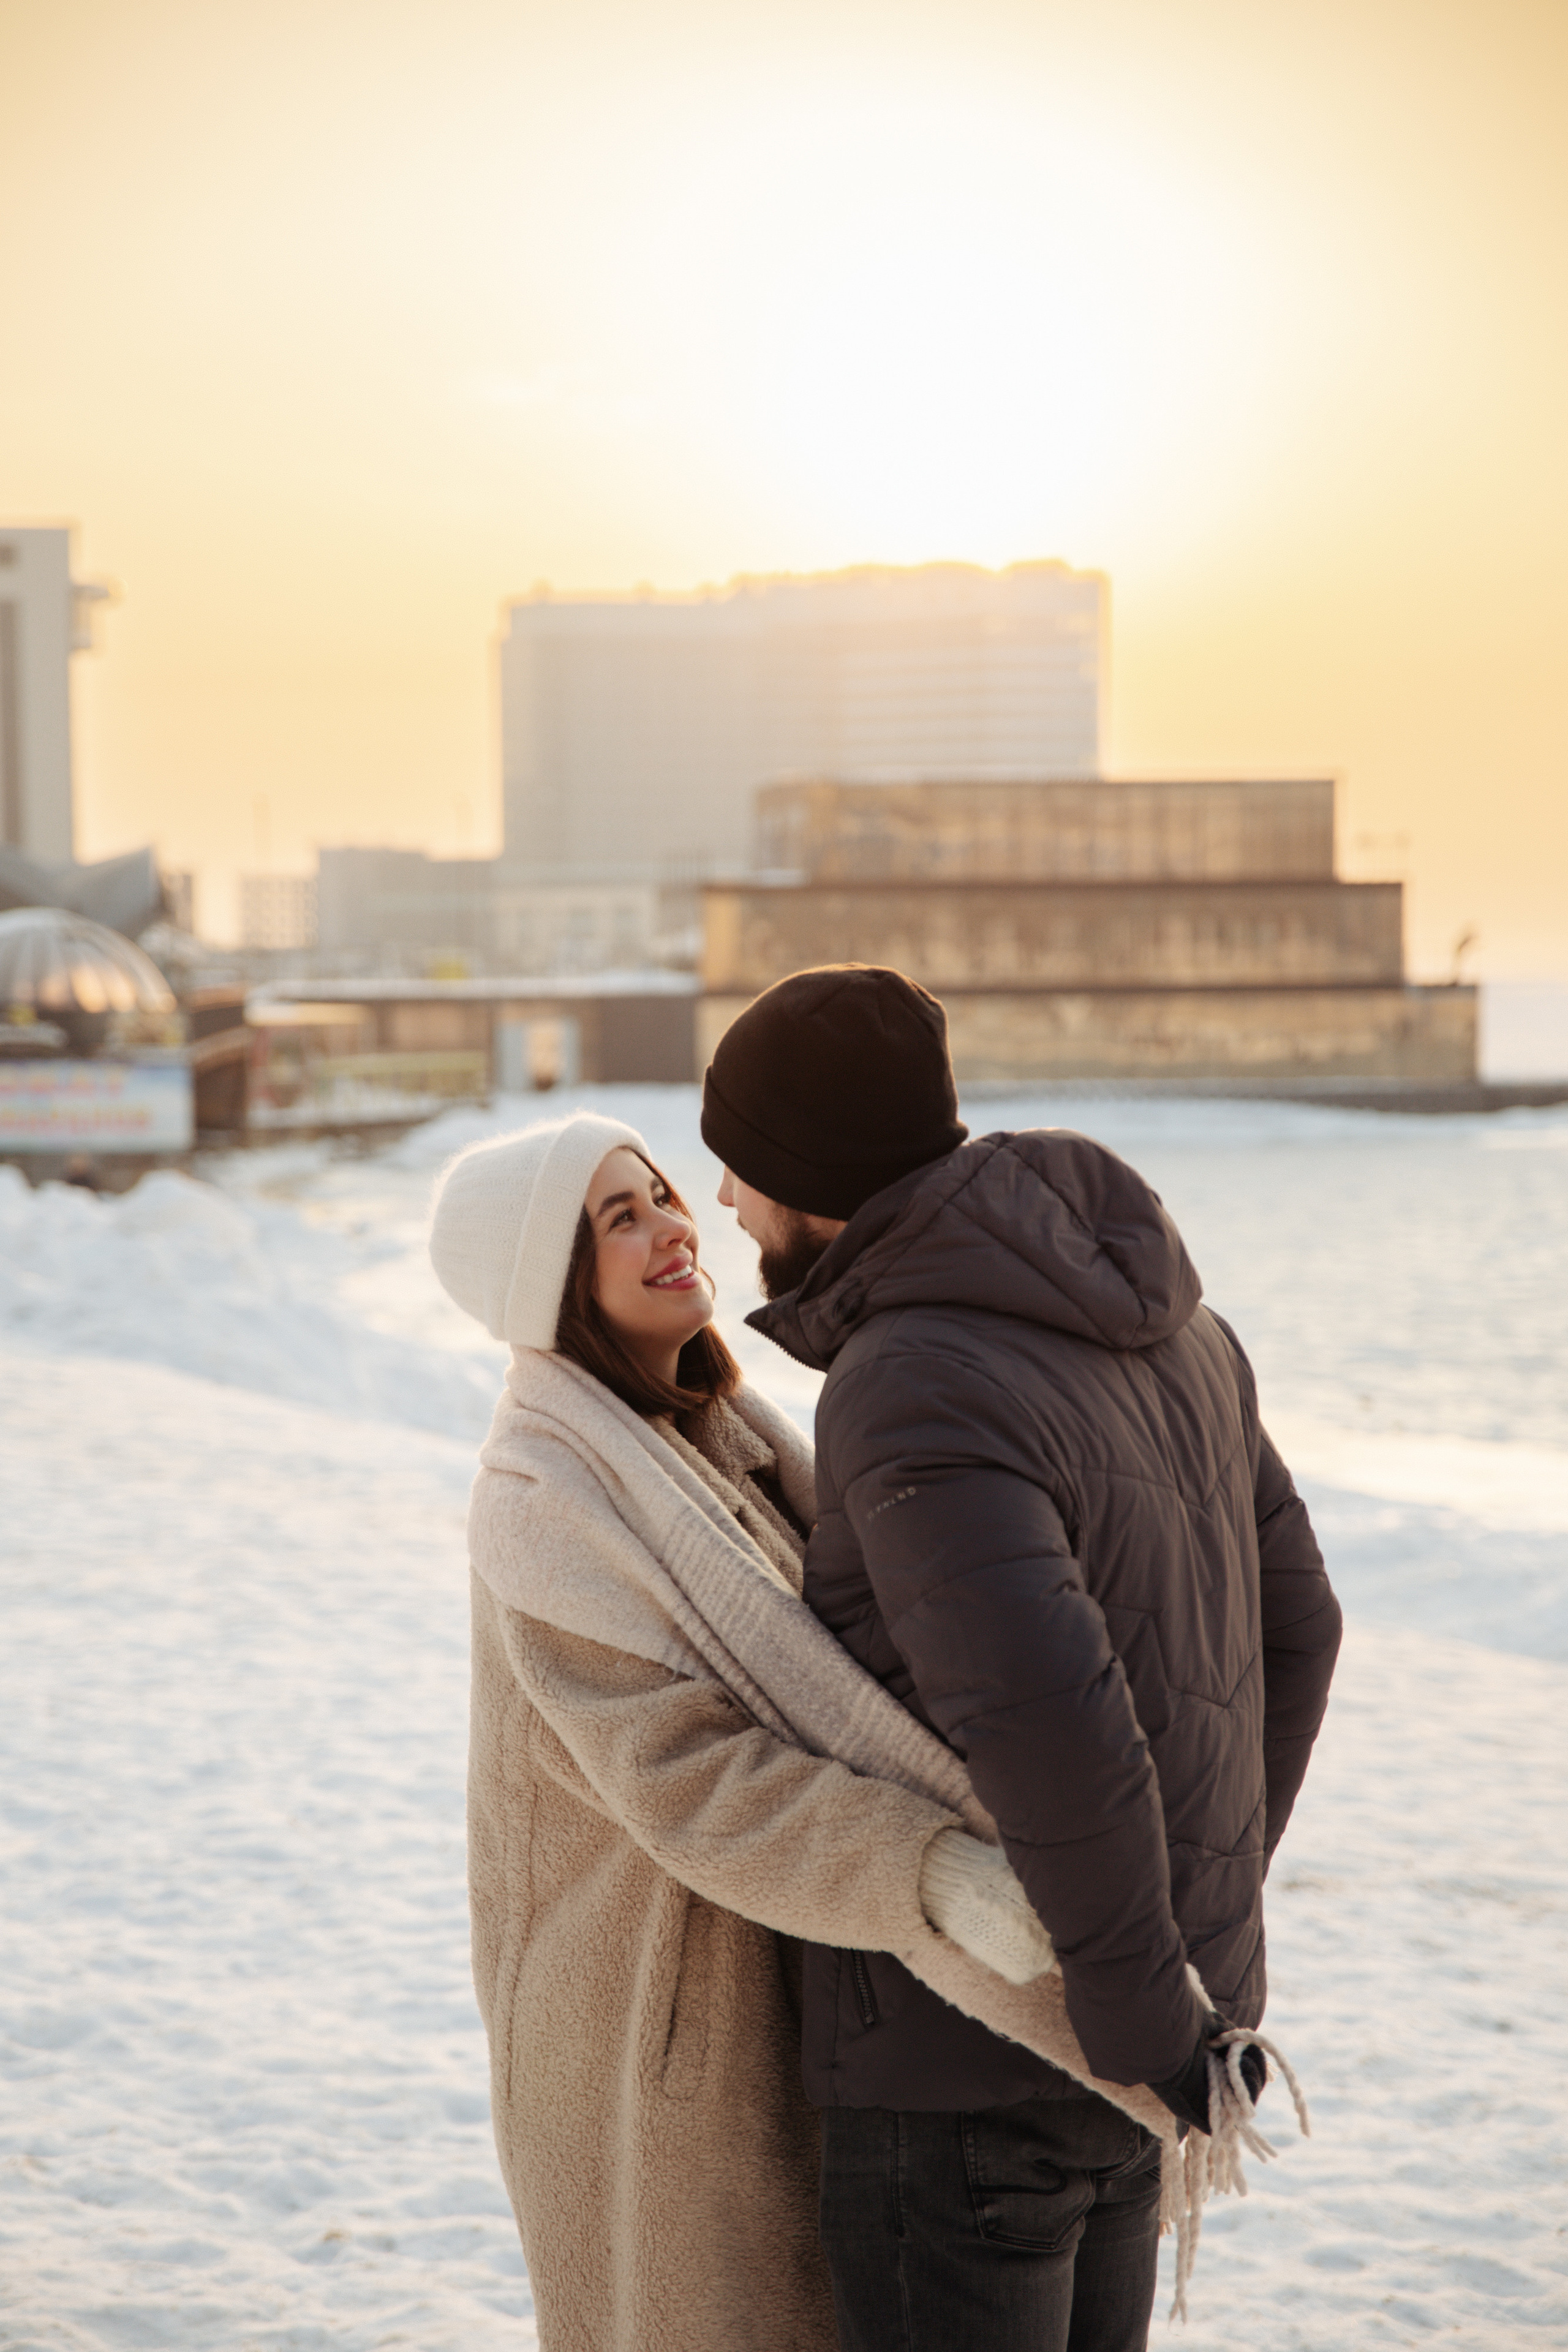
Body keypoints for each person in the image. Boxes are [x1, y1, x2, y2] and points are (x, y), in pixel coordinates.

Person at [701, 963, 1344, 2352]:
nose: (728, 1203)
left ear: (807, 1173)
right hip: (1142, 2035)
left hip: (975, 2054)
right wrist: (1182, 1936)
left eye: (740, 1165)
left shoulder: (905, 1377)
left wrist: (1129, 2006)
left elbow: (1054, 1721)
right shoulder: (1183, 1333)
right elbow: (1298, 1630)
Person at [426, 1111, 1065, 2352]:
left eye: (661, 1194)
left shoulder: (725, 1435)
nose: (673, 1226)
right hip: (647, 2032)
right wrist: (927, 1869)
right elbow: (688, 1774)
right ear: (550, 1281)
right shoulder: (543, 1497)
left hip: (772, 1981)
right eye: (619, 1219)